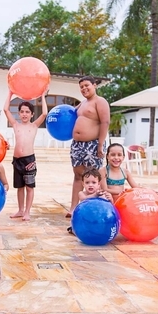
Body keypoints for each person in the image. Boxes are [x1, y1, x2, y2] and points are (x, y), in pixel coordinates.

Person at [66, 76, 110, 218]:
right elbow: (69, 114)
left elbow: (105, 122)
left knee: (95, 177)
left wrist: (101, 144)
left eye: (87, 85)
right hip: (77, 145)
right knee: (78, 175)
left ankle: (99, 207)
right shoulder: (82, 103)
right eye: (81, 87)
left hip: (93, 144)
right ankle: (74, 208)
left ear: (95, 85)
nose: (84, 88)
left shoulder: (100, 101)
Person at [4, 89, 48, 221]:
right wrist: (10, 94)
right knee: (19, 187)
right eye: (22, 111)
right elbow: (6, 110)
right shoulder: (15, 125)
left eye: (27, 112)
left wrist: (42, 96)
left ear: (32, 114)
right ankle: (20, 210)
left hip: (29, 161)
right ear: (19, 113)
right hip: (17, 160)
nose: (24, 114)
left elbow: (45, 113)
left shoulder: (34, 125)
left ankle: (27, 211)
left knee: (29, 187)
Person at [67, 167, 113, 234]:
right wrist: (95, 195)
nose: (90, 185)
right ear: (83, 184)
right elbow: (84, 199)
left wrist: (110, 199)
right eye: (87, 182)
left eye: (94, 182)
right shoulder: (82, 193)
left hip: (96, 218)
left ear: (98, 184)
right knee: (75, 219)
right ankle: (74, 229)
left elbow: (110, 208)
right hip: (84, 217)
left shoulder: (101, 194)